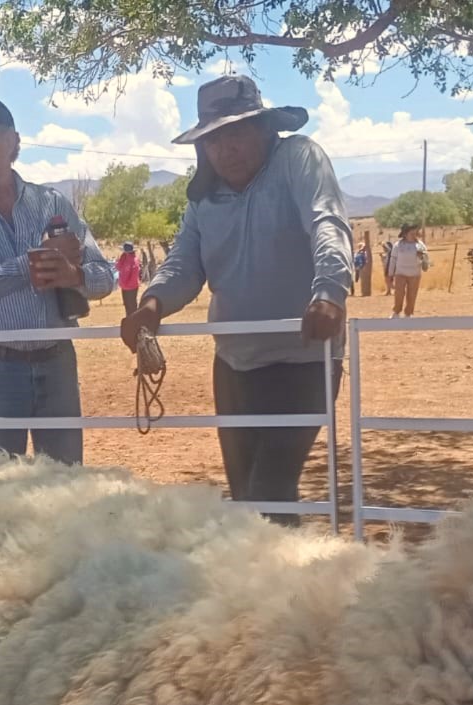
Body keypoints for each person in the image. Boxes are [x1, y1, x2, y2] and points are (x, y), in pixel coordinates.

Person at [122, 75, 351, 527]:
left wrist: (329, 291)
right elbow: (184, 264)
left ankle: (283, 588)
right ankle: (260, 589)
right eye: (213, 138)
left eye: (237, 132)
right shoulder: (203, 196)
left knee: (271, 490)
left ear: (266, 128)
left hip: (304, 359)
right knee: (247, 495)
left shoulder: (298, 159)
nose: (225, 148)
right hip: (235, 365)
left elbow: (327, 220)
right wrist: (152, 304)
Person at [0, 92, 115, 465]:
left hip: (58, 364)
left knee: (64, 488)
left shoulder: (53, 203)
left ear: (13, 141)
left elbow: (105, 276)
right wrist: (35, 264)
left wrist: (73, 275)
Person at [389, 224, 424, 317]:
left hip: (415, 274)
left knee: (412, 295)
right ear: (405, 234)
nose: (414, 234)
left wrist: (422, 258)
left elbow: (426, 262)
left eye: (415, 232)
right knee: (399, 293)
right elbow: (393, 260)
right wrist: (390, 274)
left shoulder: (420, 245)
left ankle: (409, 313)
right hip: (400, 273)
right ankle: (396, 312)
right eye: (411, 232)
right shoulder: (398, 245)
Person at [116, 240, 141, 315]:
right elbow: (118, 267)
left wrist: (127, 284)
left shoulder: (134, 261)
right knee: (127, 305)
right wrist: (121, 258)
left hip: (131, 287)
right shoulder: (124, 258)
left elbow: (133, 275)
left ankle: (134, 321)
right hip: (125, 286)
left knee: (132, 306)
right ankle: (130, 319)